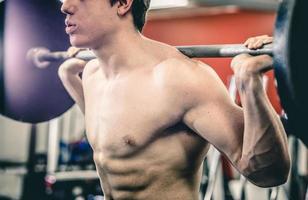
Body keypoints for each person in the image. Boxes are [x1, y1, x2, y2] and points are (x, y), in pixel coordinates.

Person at [58, 0, 290, 199]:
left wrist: (249, 81)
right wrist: (67, 75)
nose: (65, 7)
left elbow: (268, 174)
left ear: (122, 3)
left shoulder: (177, 78)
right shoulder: (92, 75)